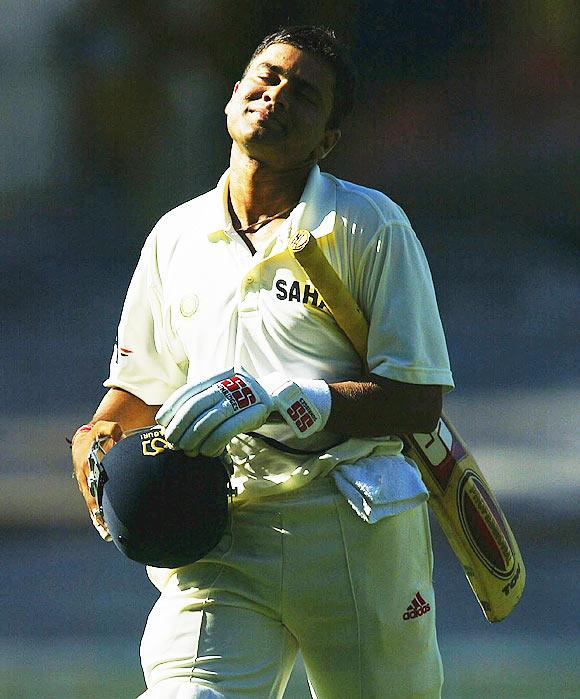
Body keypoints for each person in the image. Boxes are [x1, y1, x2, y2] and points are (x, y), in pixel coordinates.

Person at [72, 25, 454, 698]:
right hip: (223, 531)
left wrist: (284, 397)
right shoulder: (176, 236)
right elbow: (137, 391)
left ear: (327, 139)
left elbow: (417, 400)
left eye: (303, 94)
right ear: (232, 98)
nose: (277, 94)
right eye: (267, 77)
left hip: (350, 526)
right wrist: (97, 440)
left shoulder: (370, 226)